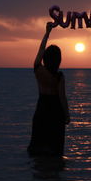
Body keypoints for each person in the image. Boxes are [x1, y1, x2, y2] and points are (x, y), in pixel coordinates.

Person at [27, 22, 70, 156]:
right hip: (56, 113)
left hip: (42, 110)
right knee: (55, 151)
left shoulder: (38, 70)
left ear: (45, 59)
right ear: (59, 60)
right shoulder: (59, 77)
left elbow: (40, 51)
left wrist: (47, 32)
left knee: (38, 149)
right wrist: (67, 115)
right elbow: (62, 97)